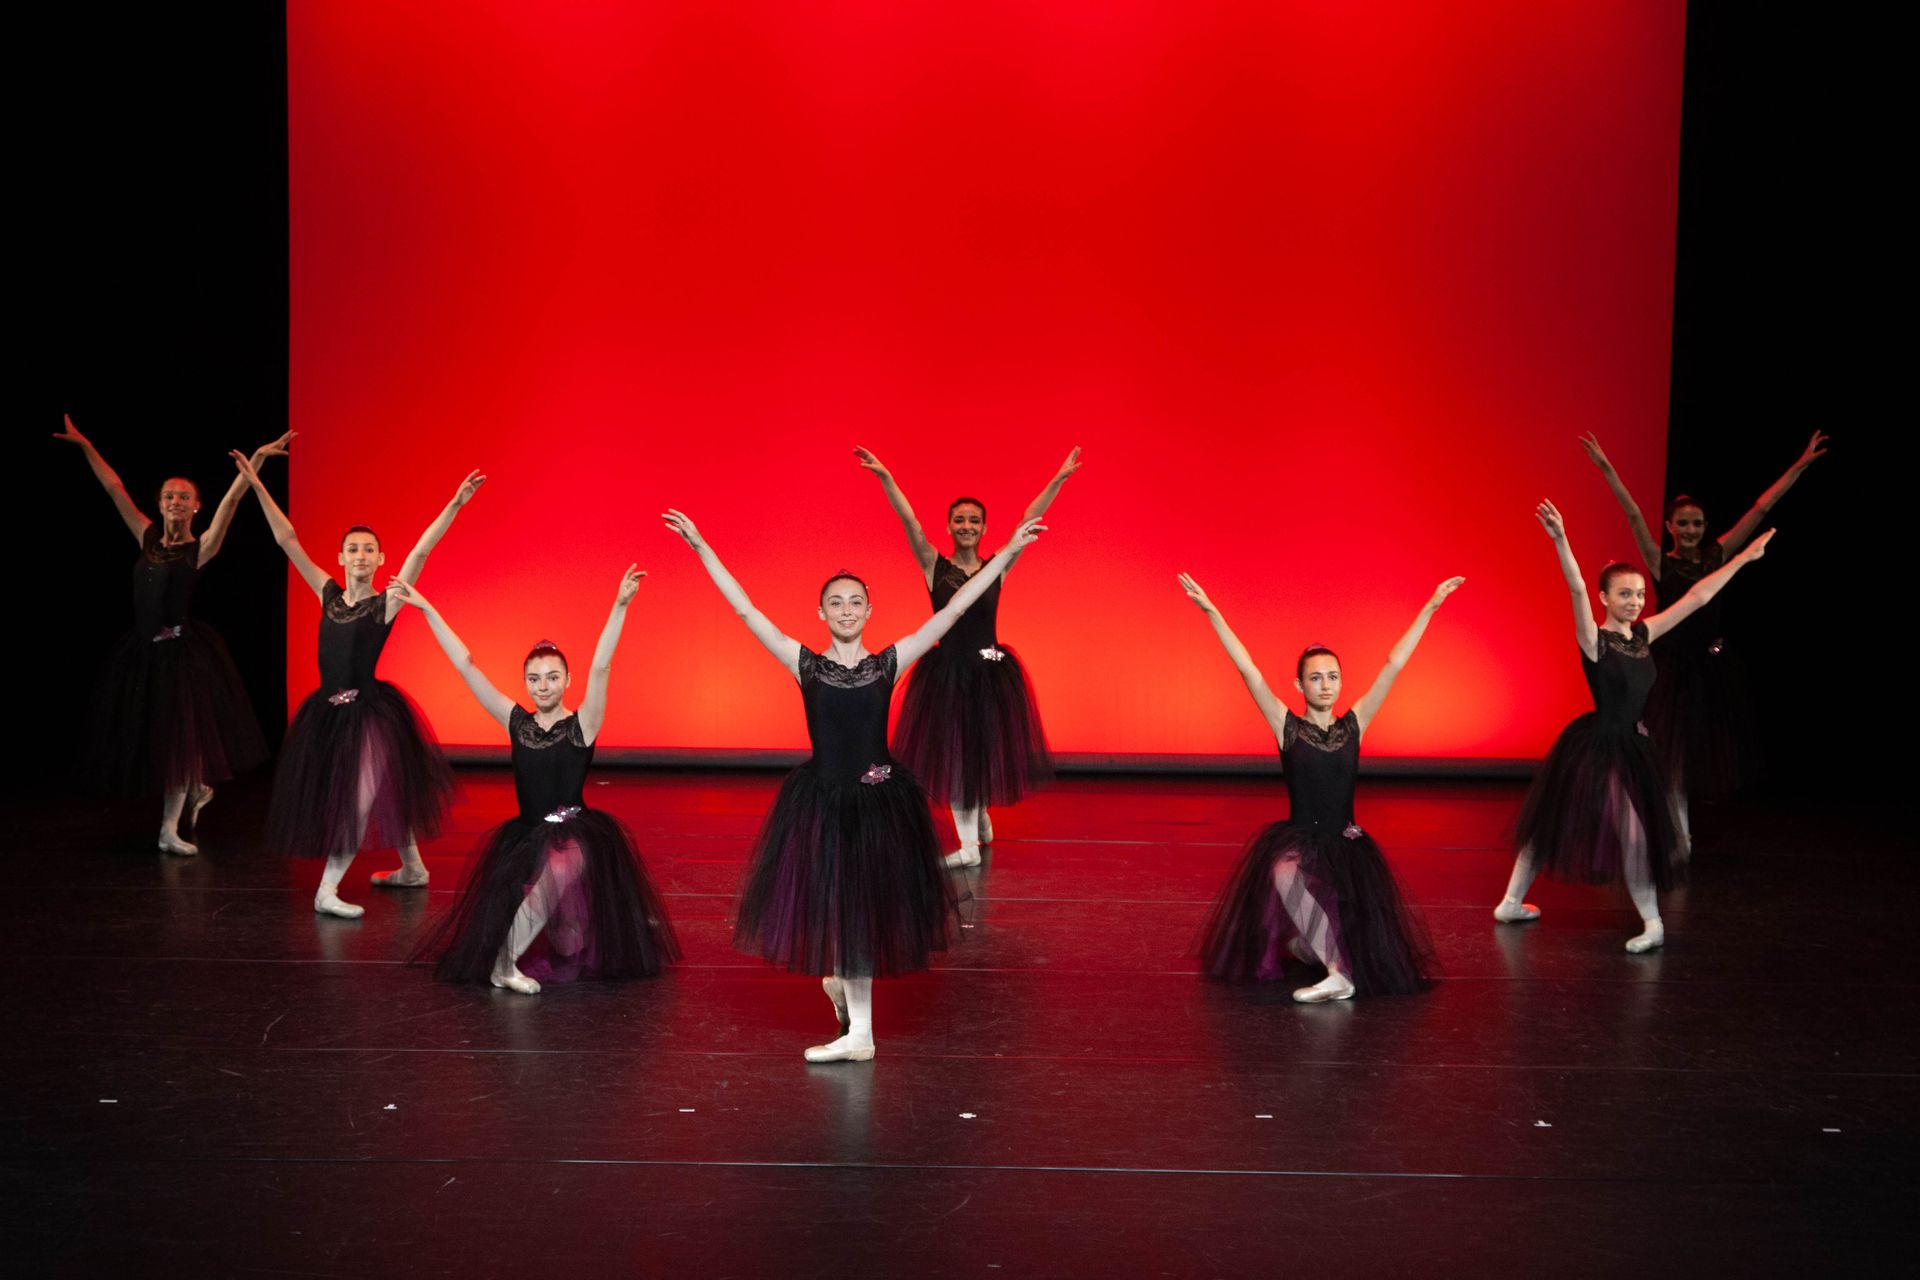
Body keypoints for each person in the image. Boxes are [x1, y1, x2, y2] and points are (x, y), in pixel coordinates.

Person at [664, 506, 1044, 1062]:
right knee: (837, 911)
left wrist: (1008, 554)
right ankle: (844, 992)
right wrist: (701, 546)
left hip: (878, 805)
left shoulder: (891, 661)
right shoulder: (805, 665)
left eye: (855, 601)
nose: (846, 610)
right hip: (821, 802)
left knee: (859, 913)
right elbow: (745, 609)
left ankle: (861, 1035)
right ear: (821, 613)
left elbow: (958, 606)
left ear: (870, 610)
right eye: (836, 602)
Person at [1495, 500, 1774, 952]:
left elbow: (1698, 597)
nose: (1635, 601)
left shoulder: (1644, 634)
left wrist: (1743, 559)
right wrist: (1561, 540)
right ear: (1607, 599)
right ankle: (1649, 922)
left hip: (1632, 746)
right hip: (1596, 747)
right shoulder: (1594, 640)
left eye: (1640, 594)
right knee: (1607, 832)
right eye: (1625, 594)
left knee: (1587, 829)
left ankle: (1516, 903)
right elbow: (1576, 589)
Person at [393, 568, 678, 993]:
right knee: (566, 936)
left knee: (565, 886)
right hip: (527, 833)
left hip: (574, 832)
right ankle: (504, 962)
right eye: (533, 678)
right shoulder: (517, 722)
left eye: (551, 677)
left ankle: (506, 960)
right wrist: (429, 610)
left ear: (567, 680)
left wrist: (619, 606)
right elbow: (466, 665)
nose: (542, 686)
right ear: (525, 682)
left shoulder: (583, 723)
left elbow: (602, 665)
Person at [1184, 573, 1460, 1002]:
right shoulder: (1286, 727)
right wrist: (1212, 612)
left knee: (1321, 935)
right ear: (1299, 685)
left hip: (1346, 845)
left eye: (1333, 676)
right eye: (1316, 678)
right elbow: (1247, 670)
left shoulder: (1355, 724)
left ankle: (1327, 961)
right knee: (1283, 871)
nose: (1326, 684)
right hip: (1301, 840)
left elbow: (1393, 664)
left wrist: (1430, 607)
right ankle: (1338, 974)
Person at [232, 451, 480, 917]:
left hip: (371, 716)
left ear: (380, 558)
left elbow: (421, 552)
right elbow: (287, 540)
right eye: (354, 549)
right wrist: (257, 485)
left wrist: (455, 504)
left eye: (370, 549)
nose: (361, 555)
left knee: (360, 796)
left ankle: (326, 889)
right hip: (328, 715)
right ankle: (413, 870)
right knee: (384, 789)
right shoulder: (327, 593)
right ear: (341, 557)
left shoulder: (386, 603)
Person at [1580, 431, 1826, 836]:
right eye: (1683, 524)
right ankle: (1644, 823)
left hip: (1711, 669)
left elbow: (1762, 508)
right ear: (1671, 527)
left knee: (1689, 759)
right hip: (1667, 671)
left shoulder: (1718, 555)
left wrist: (1800, 465)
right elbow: (1634, 515)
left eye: (1696, 523)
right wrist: (1607, 468)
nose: (1690, 529)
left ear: (1705, 525)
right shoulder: (1661, 562)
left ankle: (1678, 830)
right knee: (1660, 756)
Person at [58, 414, 283, 854]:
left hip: (182, 652)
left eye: (184, 496)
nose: (176, 501)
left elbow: (232, 504)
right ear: (159, 504)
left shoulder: (202, 547)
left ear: (195, 505)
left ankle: (168, 828)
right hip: (143, 653)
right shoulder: (145, 537)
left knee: (180, 739)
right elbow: (113, 488)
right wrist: (86, 445)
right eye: (169, 496)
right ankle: (197, 789)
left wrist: (255, 461)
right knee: (161, 738)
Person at [853, 446, 1080, 867]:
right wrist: (886, 476)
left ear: (984, 527)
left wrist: (1059, 479)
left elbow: (1028, 519)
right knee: (957, 755)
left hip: (990, 671)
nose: (966, 526)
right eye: (959, 519)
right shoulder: (933, 565)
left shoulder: (998, 566)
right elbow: (909, 522)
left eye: (974, 520)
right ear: (949, 526)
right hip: (948, 675)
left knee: (977, 751)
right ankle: (972, 840)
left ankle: (973, 840)